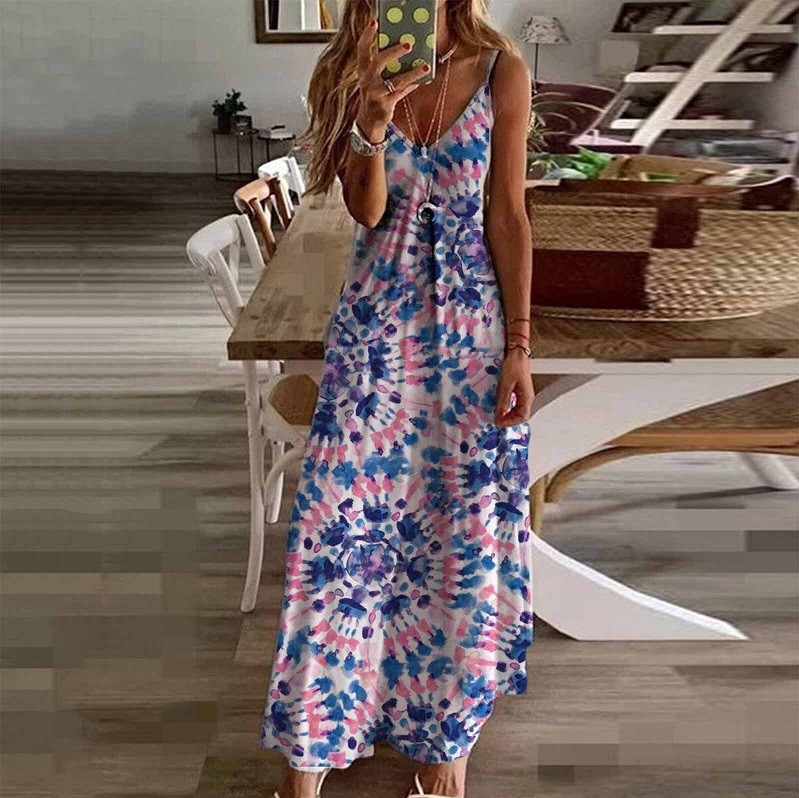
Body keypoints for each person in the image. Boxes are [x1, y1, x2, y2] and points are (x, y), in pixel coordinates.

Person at [260, 2, 535, 796]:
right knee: (339, 527)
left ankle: (444, 753)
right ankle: (309, 753)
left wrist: (519, 346)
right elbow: (369, 212)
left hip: (470, 333)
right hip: (376, 329)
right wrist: (371, 124)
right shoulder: (357, 72)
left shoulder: (501, 72)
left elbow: (507, 214)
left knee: (460, 531)